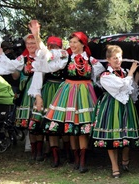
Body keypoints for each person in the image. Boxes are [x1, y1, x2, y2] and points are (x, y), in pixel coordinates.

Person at [37, 31, 105, 173]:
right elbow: (48, 56)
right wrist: (37, 37)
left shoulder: (91, 60)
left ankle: (82, 161)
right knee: (72, 125)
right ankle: (75, 157)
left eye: (75, 42)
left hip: (86, 93)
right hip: (68, 92)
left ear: (82, 43)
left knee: (83, 127)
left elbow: (99, 77)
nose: (72, 45)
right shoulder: (65, 56)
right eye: (71, 42)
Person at [92, 45, 139, 178]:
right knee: (112, 135)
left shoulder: (124, 71)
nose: (118, 60)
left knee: (126, 133)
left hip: (126, 105)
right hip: (111, 105)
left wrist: (133, 75)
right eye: (114, 58)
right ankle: (115, 166)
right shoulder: (105, 75)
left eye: (119, 57)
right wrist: (131, 73)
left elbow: (132, 89)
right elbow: (121, 85)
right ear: (108, 59)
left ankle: (125, 159)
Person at [27, 20, 71, 167]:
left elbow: (50, 57)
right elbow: (39, 75)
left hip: (62, 90)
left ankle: (68, 153)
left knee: (63, 124)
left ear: (60, 46)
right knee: (50, 126)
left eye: (55, 46)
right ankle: (55, 157)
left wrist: (37, 37)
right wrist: (38, 96)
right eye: (50, 45)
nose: (53, 48)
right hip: (48, 90)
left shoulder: (63, 55)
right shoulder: (42, 59)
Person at [0, 29, 43, 160]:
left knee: (39, 119)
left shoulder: (42, 56)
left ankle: (41, 150)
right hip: (28, 89)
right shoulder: (23, 57)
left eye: (33, 43)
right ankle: (34, 151)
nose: (30, 45)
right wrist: (1, 55)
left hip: (43, 88)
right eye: (28, 43)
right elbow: (11, 66)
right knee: (30, 119)